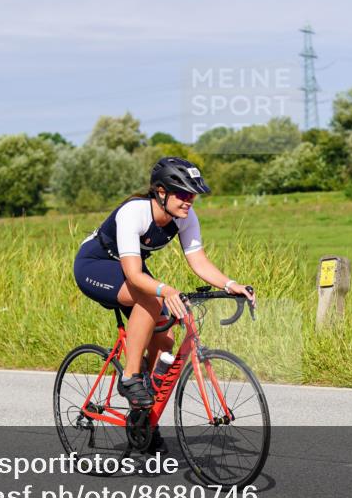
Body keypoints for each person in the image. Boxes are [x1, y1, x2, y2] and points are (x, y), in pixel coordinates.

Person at [73, 157, 255, 409]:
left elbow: (199, 261)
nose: (189, 201)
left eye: (193, 195)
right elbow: (134, 276)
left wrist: (230, 284)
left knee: (164, 340)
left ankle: (141, 418)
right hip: (95, 266)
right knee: (153, 297)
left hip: (130, 267)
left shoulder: (185, 217)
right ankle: (130, 377)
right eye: (183, 194)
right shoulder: (133, 213)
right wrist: (166, 290)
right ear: (161, 192)